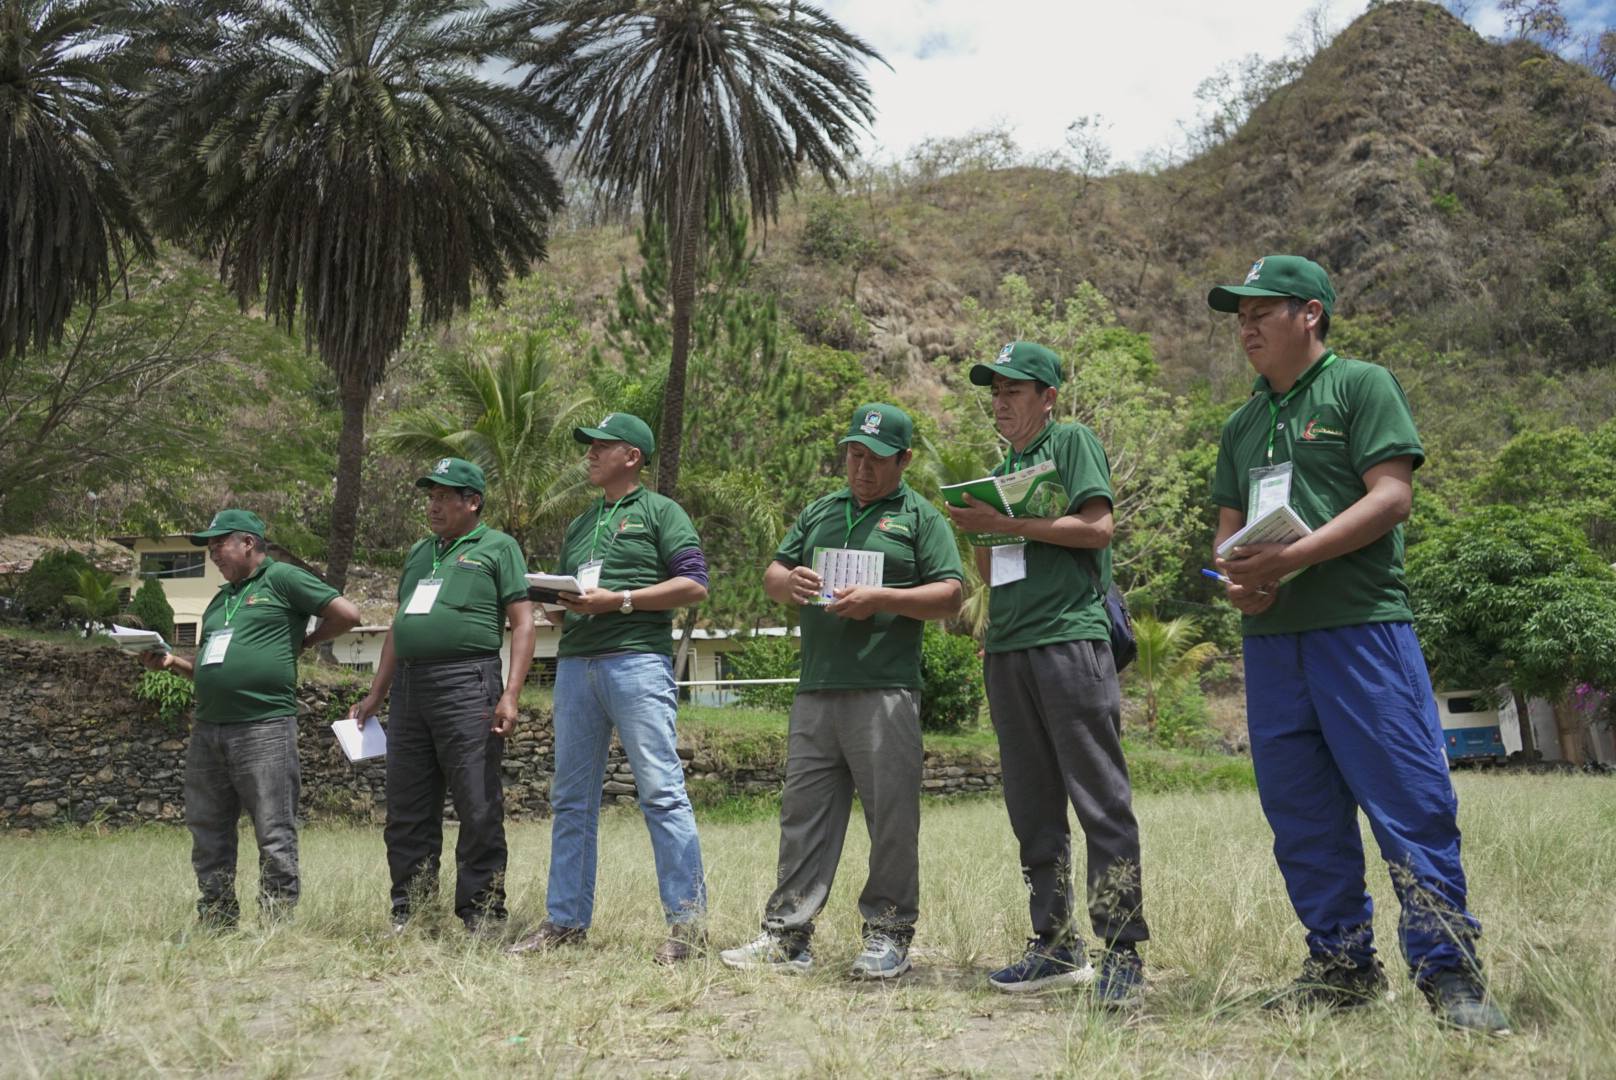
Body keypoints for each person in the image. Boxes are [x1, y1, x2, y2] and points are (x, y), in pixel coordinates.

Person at [1207, 255, 1509, 1034]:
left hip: (1362, 630)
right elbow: (1227, 530)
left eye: (1260, 312)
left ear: (1310, 313)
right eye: (1238, 315)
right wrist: (1240, 574)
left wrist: (1295, 558)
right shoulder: (1241, 424)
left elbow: (1392, 495)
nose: (1245, 326)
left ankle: (1452, 974)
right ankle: (1340, 967)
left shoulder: (1360, 386)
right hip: (1273, 643)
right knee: (1301, 816)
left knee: (1408, 801)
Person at [719, 404, 963, 979]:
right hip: (816, 689)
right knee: (802, 814)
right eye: (854, 454)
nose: (862, 468)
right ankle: (786, 938)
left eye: (877, 459)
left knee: (892, 820)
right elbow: (773, 575)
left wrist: (883, 599)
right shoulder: (820, 511)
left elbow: (951, 595)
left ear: (904, 460)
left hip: (884, 691)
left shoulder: (921, 519)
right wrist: (791, 582)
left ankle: (888, 934)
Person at [944, 342, 1149, 1005]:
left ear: (1048, 397)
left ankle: (1123, 952)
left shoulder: (1072, 442)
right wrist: (982, 531)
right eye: (994, 392)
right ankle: (1055, 944)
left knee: (1100, 799)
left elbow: (1098, 528)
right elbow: (994, 575)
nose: (1001, 402)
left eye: (1015, 390)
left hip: (1070, 639)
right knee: (1031, 805)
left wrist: (1007, 519)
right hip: (1009, 645)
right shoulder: (1004, 467)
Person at [506, 412, 710, 964]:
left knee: (662, 793)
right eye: (589, 445)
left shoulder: (661, 512)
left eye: (602, 446)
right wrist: (558, 607)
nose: (590, 454)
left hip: (638, 664)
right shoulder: (579, 524)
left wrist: (618, 600)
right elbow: (577, 597)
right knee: (571, 798)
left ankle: (688, 929)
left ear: (633, 457)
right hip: (576, 666)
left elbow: (694, 584)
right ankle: (566, 922)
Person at [142, 509, 360, 927]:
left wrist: (306, 641)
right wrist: (171, 662)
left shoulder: (283, 579)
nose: (212, 555)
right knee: (207, 828)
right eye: (208, 548)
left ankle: (276, 922)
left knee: (273, 828)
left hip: (264, 726)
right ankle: (216, 916)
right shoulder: (221, 599)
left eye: (218, 544)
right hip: (209, 729)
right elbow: (210, 667)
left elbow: (348, 615)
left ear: (248, 543)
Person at [349, 458, 534, 935]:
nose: (432, 506)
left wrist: (510, 693)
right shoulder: (418, 553)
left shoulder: (498, 546)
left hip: (466, 683)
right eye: (429, 496)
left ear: (471, 502)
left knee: (476, 802)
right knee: (407, 807)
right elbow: (399, 626)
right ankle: (412, 912)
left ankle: (483, 914)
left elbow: (523, 622)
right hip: (409, 689)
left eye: (443, 497)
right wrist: (376, 694)